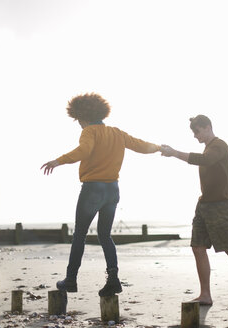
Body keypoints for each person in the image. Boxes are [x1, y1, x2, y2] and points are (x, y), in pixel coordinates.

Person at [41, 93, 160, 297]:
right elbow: (140, 145)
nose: (78, 124)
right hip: (113, 190)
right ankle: (113, 279)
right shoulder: (117, 133)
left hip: (93, 189)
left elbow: (84, 151)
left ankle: (70, 279)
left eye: (78, 120)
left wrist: (57, 161)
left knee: (80, 234)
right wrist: (160, 148)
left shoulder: (89, 132)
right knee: (105, 236)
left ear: (82, 116)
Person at [160, 115, 228, 306]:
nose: (195, 136)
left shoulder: (219, 146)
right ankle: (205, 294)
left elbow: (205, 160)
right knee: (198, 247)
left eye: (197, 131)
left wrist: (174, 153)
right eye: (193, 132)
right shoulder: (208, 147)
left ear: (208, 127)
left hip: (221, 205)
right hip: (204, 205)